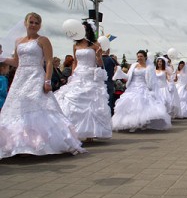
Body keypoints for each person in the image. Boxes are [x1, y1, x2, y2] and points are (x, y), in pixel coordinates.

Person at [0, 12, 84, 158]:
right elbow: (16, 62)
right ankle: (20, 144)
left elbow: (49, 61)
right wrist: (2, 58)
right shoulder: (18, 41)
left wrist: (47, 80)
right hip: (21, 77)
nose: (33, 25)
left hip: (35, 76)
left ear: (40, 26)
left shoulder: (43, 40)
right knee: (19, 109)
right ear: (25, 23)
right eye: (31, 22)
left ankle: (39, 143)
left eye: (36, 23)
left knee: (38, 107)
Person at [54, 21, 112, 142]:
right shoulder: (76, 45)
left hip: (90, 75)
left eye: (84, 28)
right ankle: (73, 130)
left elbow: (100, 63)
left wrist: (98, 56)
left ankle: (90, 133)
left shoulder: (95, 44)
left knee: (90, 102)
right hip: (78, 75)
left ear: (88, 30)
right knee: (72, 98)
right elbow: (75, 62)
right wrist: (72, 75)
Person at [112, 50, 171, 131]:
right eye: (138, 56)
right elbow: (128, 76)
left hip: (143, 87)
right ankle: (131, 123)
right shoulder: (134, 66)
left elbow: (152, 81)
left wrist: (151, 90)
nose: (139, 58)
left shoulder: (149, 67)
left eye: (141, 56)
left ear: (145, 57)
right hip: (132, 88)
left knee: (141, 105)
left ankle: (141, 123)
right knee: (130, 105)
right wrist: (119, 71)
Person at [102, 48, 119, 115]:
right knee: (109, 100)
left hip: (100, 83)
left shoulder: (97, 59)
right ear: (108, 50)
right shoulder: (112, 60)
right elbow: (118, 69)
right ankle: (109, 114)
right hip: (110, 81)